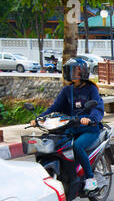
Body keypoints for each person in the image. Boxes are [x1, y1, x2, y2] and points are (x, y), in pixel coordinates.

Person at [30, 58, 105, 191]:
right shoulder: (67, 90)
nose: (72, 73)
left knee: (77, 146)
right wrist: (39, 119)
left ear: (83, 72)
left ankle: (90, 178)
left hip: (89, 129)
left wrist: (91, 118)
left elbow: (97, 107)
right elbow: (54, 108)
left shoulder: (91, 89)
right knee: (57, 145)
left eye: (75, 70)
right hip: (71, 128)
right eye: (69, 70)